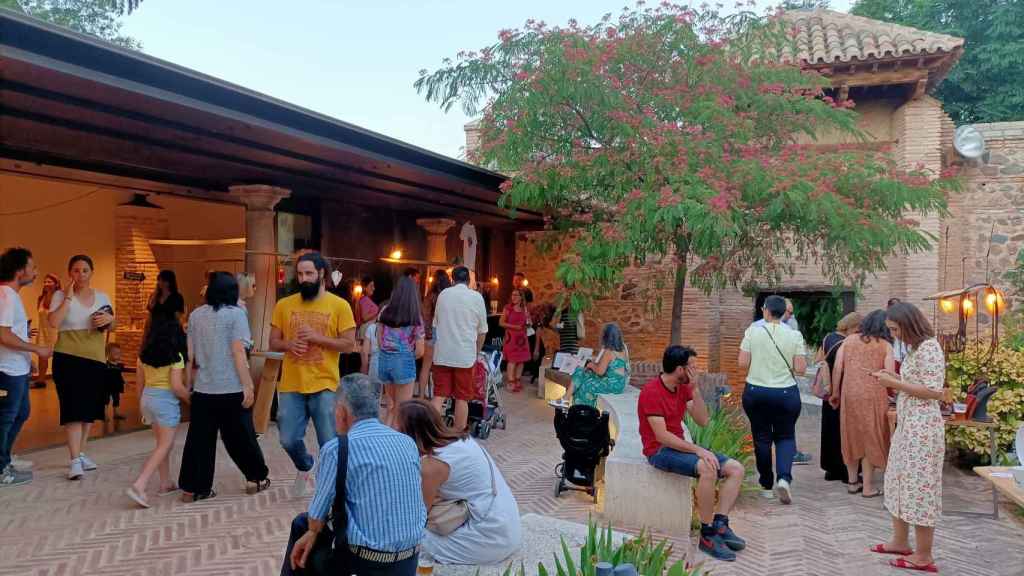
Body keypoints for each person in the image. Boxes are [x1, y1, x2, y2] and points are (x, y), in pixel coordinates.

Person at [283, 374, 426, 576]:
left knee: (303, 526)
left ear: (342, 412)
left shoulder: (337, 449)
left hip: (365, 562)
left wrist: (313, 531)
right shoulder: (407, 443)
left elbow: (316, 517)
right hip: (409, 559)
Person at [639, 345, 746, 562]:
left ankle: (720, 524)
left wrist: (696, 390)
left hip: (679, 447)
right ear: (680, 369)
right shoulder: (651, 392)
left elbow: (703, 420)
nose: (695, 370)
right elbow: (662, 436)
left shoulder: (684, 388)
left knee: (736, 469)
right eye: (692, 367)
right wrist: (698, 449)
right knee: (708, 468)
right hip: (659, 451)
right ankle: (706, 535)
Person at [270, 252, 356, 497]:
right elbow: (273, 341)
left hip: (325, 383)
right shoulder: (284, 305)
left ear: (321, 274)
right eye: (300, 274)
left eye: (309, 273)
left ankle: (329, 489)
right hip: (291, 384)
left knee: (329, 443)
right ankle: (305, 466)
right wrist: (289, 345)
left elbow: (349, 345)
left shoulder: (340, 305)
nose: (304, 278)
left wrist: (317, 339)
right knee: (287, 439)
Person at [178, 272, 270, 502]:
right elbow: (238, 351)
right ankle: (256, 478)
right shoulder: (236, 315)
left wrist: (188, 383)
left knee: (199, 440)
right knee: (241, 437)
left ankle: (193, 488)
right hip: (230, 388)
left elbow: (189, 354)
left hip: (203, 389)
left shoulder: (197, 315)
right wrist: (248, 385)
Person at [398, 399, 522, 565]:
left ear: (410, 434)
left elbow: (417, 514)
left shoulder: (432, 465)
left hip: (490, 537)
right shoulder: (461, 440)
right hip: (506, 524)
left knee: (404, 539)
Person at [870, 303, 946, 574]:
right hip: (908, 427)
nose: (894, 334)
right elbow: (915, 383)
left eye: (894, 329)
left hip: (923, 431)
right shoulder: (915, 349)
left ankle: (924, 555)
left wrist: (895, 384)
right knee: (897, 481)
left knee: (920, 488)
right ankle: (900, 541)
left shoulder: (929, 348)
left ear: (908, 323)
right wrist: (892, 376)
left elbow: (934, 390)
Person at [47, 254, 114, 480]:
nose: (80, 274)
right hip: (68, 358)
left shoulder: (103, 296)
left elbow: (111, 324)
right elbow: (54, 322)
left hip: (95, 359)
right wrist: (67, 297)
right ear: (70, 273)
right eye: (76, 270)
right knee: (73, 410)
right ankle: (74, 460)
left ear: (91, 273)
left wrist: (109, 321)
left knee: (88, 413)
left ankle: (81, 453)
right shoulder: (60, 296)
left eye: (85, 270)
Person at [738, 295, 806, 504]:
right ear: (785, 312)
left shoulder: (752, 332)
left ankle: (766, 485)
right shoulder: (794, 335)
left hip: (756, 391)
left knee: (761, 438)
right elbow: (801, 369)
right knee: (785, 436)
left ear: (765, 311)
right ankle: (784, 479)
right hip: (786, 393)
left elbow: (742, 363)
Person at [1, 248, 52, 487]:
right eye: (32, 267)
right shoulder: (7, 296)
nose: (35, 272)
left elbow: (13, 334)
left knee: (21, 413)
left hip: (17, 368)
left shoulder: (12, 295)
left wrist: (26, 357)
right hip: (7, 371)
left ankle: (5, 458)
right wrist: (36, 350)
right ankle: (1, 469)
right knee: (6, 418)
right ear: (20, 271)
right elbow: (3, 336)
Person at [126, 318, 190, 508]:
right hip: (165, 403)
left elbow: (139, 386)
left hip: (148, 399)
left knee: (162, 445)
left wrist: (141, 406)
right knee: (164, 445)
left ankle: (165, 483)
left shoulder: (143, 355)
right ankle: (140, 484)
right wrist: (191, 399)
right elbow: (177, 387)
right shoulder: (176, 356)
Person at [831, 310, 895, 498]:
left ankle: (852, 482)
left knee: (851, 435)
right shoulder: (885, 346)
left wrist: (835, 392)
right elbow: (889, 376)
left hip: (849, 395)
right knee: (871, 437)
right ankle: (867, 487)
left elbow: (837, 367)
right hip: (875, 397)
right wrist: (894, 394)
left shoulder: (849, 340)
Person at [431, 266, 488, 433]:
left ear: (452, 279)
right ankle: (458, 435)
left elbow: (436, 325)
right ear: (469, 280)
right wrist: (477, 351)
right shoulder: (476, 297)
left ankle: (432, 432)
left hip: (442, 353)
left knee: (439, 395)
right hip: (465, 355)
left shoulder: (443, 295)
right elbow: (482, 331)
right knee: (462, 398)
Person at [816, 311, 862, 484]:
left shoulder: (828, 338)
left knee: (829, 429)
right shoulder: (846, 343)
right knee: (844, 431)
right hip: (842, 391)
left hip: (828, 390)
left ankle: (830, 468)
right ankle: (845, 470)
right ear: (854, 327)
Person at [377, 276, 425, 427]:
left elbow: (379, 340)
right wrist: (406, 355)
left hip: (384, 360)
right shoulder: (415, 316)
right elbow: (420, 351)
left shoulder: (384, 311)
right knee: (402, 410)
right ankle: (395, 447)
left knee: (390, 407)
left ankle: (384, 441)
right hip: (404, 361)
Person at [566, 323, 630, 407]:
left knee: (584, 384)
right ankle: (566, 399)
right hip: (620, 382)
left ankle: (578, 408)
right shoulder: (623, 347)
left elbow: (600, 372)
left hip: (612, 384)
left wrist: (590, 365)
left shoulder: (609, 351)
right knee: (581, 372)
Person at [418, 269, 451, 397]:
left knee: (426, 366)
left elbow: (425, 316)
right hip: (446, 335)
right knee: (443, 368)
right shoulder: (449, 297)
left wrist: (427, 333)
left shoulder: (429, 296)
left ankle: (421, 396)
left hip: (431, 333)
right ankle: (441, 396)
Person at [499, 289, 531, 392]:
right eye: (512, 295)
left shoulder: (524, 309)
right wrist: (514, 327)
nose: (513, 297)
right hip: (511, 338)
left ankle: (517, 380)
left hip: (522, 339)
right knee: (512, 360)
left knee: (521, 361)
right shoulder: (508, 308)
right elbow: (501, 323)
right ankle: (510, 381)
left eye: (516, 295)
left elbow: (529, 322)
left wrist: (529, 323)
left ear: (521, 297)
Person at [32, 273, 60, 388]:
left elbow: (54, 311)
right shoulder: (41, 298)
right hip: (43, 330)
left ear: (56, 284)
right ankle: (41, 380)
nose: (47, 284)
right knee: (42, 357)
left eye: (50, 282)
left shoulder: (58, 297)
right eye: (45, 282)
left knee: (57, 357)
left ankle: (60, 380)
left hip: (55, 331)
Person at [104, 342, 127, 422]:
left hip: (116, 385)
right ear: (108, 354)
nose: (118, 355)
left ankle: (116, 413)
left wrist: (124, 382)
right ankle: (105, 414)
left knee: (116, 399)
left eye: (119, 353)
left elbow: (119, 375)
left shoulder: (119, 365)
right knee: (106, 399)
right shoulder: (106, 364)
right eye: (115, 353)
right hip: (107, 385)